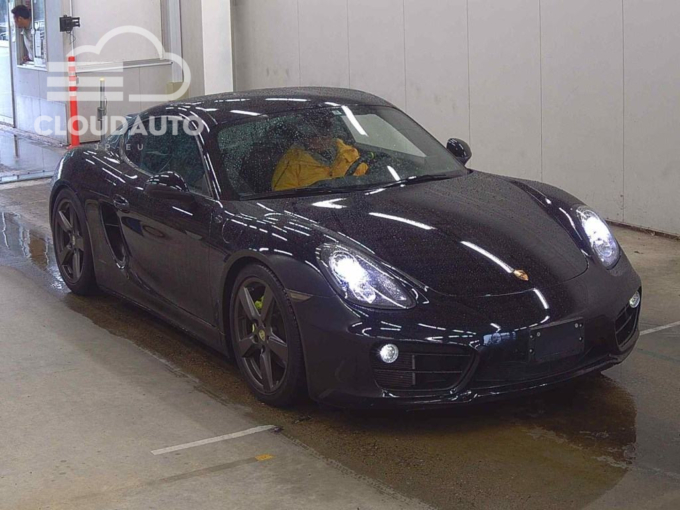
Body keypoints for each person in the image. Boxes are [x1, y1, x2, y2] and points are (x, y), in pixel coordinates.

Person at [271, 117, 369, 191]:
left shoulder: (349, 153)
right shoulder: (291, 163)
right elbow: (283, 199)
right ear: (305, 137)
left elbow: (364, 179)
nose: (320, 139)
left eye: (325, 134)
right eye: (313, 135)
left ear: (332, 134)